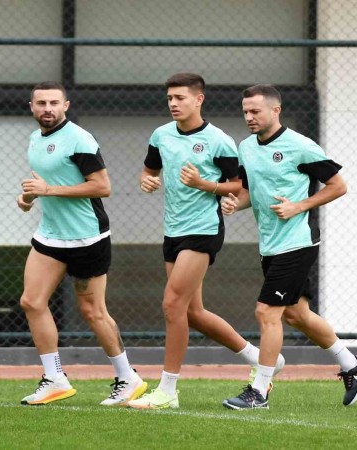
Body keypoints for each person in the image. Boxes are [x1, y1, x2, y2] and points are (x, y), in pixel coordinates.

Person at [127, 73, 284, 410]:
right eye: (170, 98)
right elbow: (149, 170)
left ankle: (167, 391)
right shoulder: (161, 135)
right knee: (193, 313)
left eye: (180, 98)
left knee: (172, 304)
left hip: (203, 230)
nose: (173, 104)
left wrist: (205, 185)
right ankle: (258, 357)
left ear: (199, 100)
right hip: (172, 230)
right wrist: (147, 181)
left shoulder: (218, 141)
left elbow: (239, 185)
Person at [220, 84, 357, 410]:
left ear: (275, 110)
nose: (249, 117)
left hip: (298, 241)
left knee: (266, 312)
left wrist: (299, 206)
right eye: (245, 111)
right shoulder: (246, 148)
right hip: (270, 244)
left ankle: (259, 390)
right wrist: (236, 203)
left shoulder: (300, 146)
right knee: (297, 315)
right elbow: (249, 191)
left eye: (255, 111)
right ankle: (352, 364)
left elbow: (338, 186)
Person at [16, 81, 147, 406]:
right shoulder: (35, 139)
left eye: (54, 103)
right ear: (32, 107)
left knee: (93, 311)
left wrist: (49, 191)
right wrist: (29, 197)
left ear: (66, 106)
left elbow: (102, 187)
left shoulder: (79, 139)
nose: (48, 109)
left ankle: (128, 378)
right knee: (31, 302)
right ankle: (54, 379)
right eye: (41, 103)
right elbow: (44, 184)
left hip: (87, 238)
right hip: (50, 236)